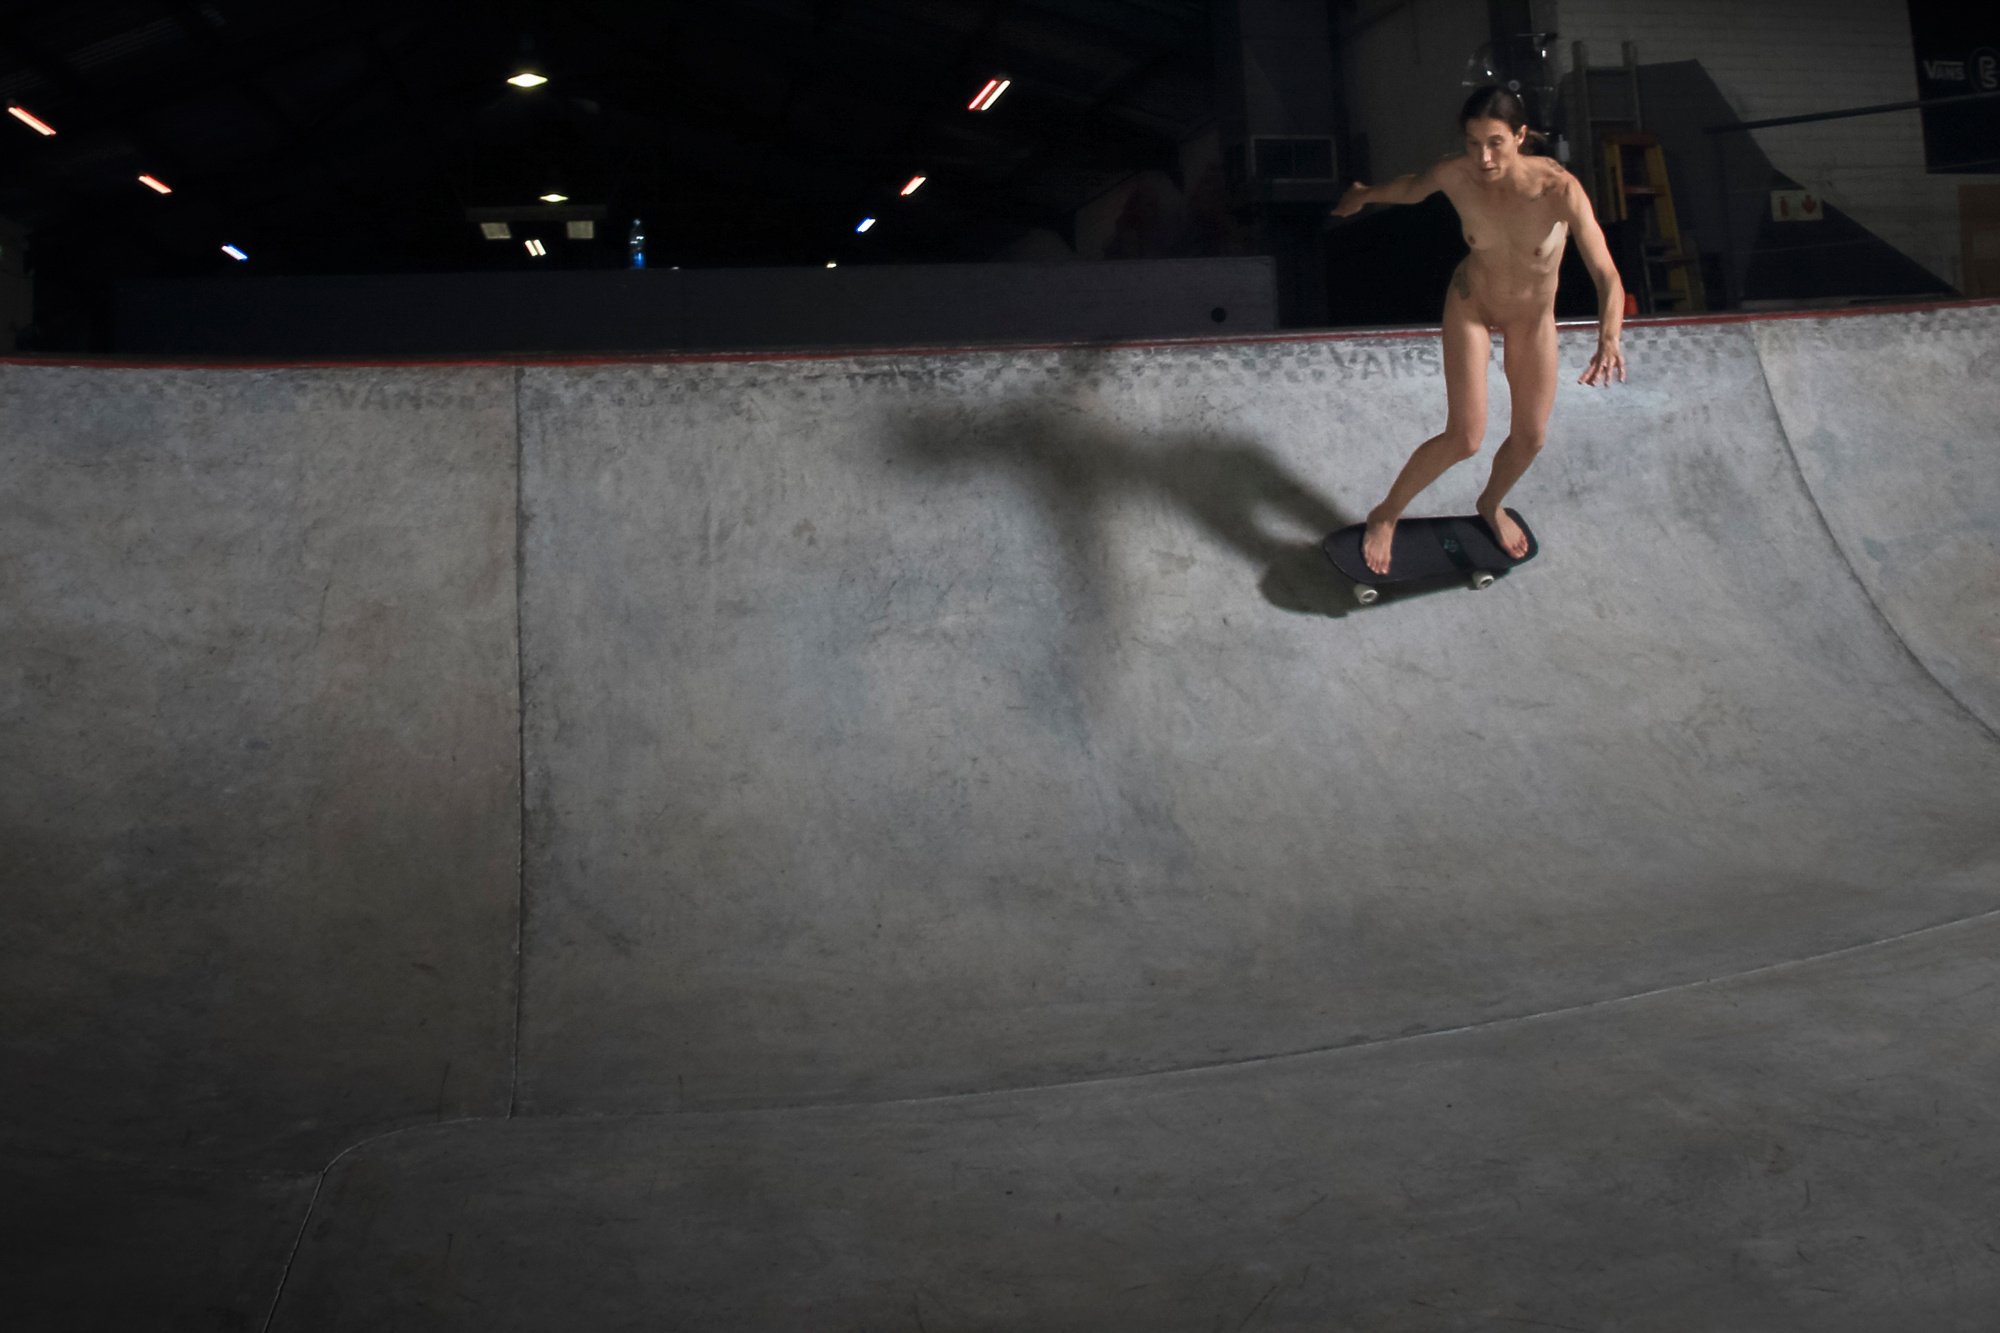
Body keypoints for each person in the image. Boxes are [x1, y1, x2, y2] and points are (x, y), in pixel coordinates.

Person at [1332, 85, 1626, 574]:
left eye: (1495, 143)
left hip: (1531, 319)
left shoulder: (1558, 190)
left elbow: (1607, 274)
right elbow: (1410, 188)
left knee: (1530, 437)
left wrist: (1609, 336)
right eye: (1473, 144)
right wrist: (1364, 195)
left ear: (1520, 136)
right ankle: (1385, 514)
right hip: (1472, 303)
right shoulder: (1457, 174)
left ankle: (1490, 503)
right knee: (1465, 437)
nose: (1483, 158)